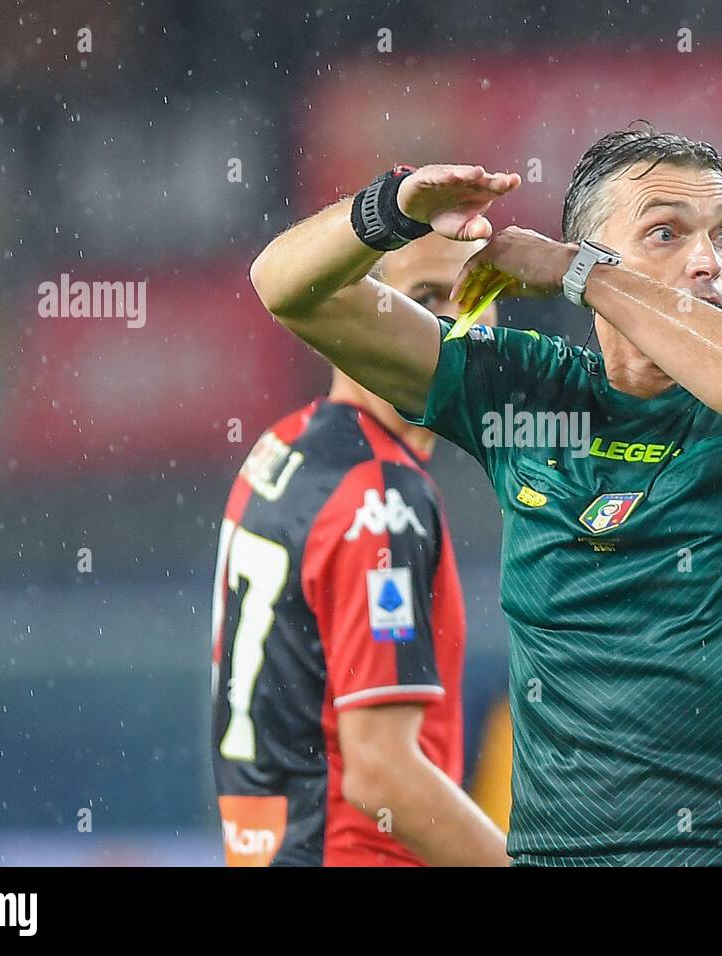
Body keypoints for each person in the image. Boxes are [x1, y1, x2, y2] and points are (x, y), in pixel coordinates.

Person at [248, 124, 722, 866]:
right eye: (666, 232)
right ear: (594, 248)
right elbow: (286, 290)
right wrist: (393, 207)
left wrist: (581, 273)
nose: (709, 261)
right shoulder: (528, 391)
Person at [212, 231, 509, 866]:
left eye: (476, 298)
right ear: (352, 313)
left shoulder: (282, 449)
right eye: (425, 296)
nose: (454, 327)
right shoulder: (382, 498)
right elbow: (381, 777)